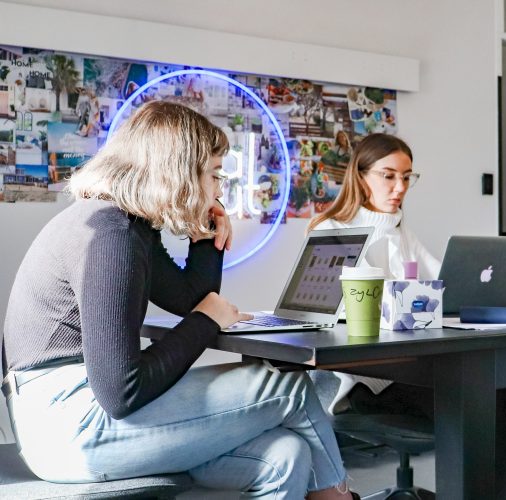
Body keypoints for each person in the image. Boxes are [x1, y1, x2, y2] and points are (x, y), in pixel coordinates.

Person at [2, 101, 356, 500]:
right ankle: (339, 497)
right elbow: (121, 391)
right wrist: (206, 321)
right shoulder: (111, 235)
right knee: (288, 386)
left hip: (69, 421)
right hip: (70, 427)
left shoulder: (125, 225)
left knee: (285, 455)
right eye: (214, 175)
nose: (220, 188)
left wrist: (205, 239)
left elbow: (189, 297)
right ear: (181, 174)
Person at [307, 133, 440, 416]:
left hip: (406, 363)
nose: (400, 187)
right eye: (388, 176)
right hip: (361, 376)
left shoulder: (400, 230)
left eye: (406, 177)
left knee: (501, 390)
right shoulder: (329, 230)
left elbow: (443, 281)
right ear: (360, 176)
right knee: (476, 395)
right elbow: (348, 311)